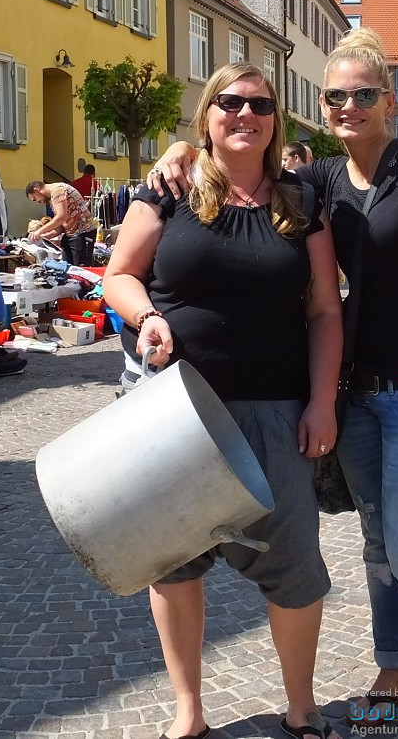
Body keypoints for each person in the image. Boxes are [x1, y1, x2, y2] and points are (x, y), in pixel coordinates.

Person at [149, 28, 398, 739]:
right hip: (356, 391)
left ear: (387, 100)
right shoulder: (323, 180)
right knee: (373, 543)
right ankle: (391, 670)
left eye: (363, 94)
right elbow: (241, 166)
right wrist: (179, 151)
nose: (348, 105)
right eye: (336, 96)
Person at [104, 61, 343, 739]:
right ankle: (189, 711)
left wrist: (321, 402)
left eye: (259, 105)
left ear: (275, 121)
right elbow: (117, 276)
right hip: (175, 411)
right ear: (207, 115)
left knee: (295, 566)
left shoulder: (301, 201)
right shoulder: (169, 189)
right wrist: (145, 316)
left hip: (276, 411)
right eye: (229, 103)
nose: (245, 114)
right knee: (174, 567)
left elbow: (325, 311)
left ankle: (301, 704)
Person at [25, 180, 98, 266]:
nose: (37, 202)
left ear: (36, 190)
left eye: (34, 198)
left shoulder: (57, 190)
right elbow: (59, 226)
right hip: (71, 235)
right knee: (66, 269)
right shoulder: (52, 197)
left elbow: (61, 217)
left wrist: (39, 231)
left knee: (81, 270)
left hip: (83, 233)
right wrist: (43, 237)